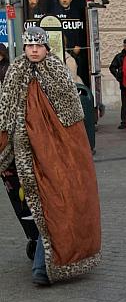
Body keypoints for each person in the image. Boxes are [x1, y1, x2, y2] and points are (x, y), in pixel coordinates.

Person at [0, 26, 101, 286]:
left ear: (46, 47)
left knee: (55, 202)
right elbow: (6, 114)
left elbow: (71, 118)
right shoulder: (15, 72)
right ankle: (39, 249)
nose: (34, 50)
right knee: (30, 205)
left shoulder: (58, 72)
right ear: (24, 48)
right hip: (21, 153)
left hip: (55, 153)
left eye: (38, 46)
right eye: (30, 46)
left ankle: (44, 265)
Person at [109, 37, 126, 129]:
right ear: (124, 46)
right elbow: (112, 67)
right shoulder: (119, 57)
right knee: (125, 103)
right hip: (124, 83)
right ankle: (124, 121)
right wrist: (118, 76)